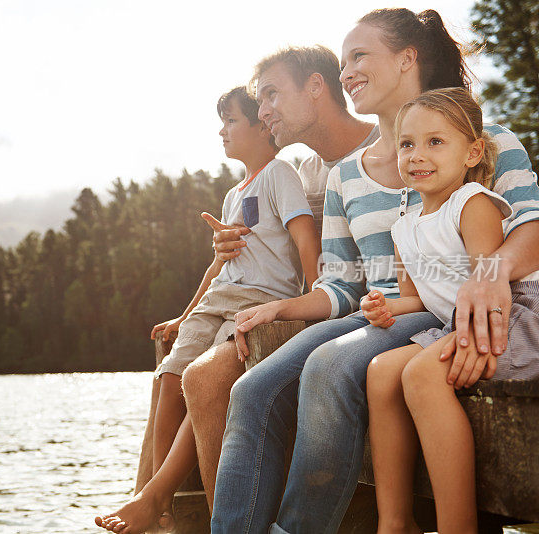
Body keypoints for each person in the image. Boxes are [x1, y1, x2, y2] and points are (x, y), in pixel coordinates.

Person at [211, 9, 539, 534]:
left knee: (330, 367)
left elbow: (531, 227)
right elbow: (341, 285)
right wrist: (282, 307)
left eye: (359, 56)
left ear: (408, 59)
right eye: (342, 62)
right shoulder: (345, 174)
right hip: (383, 310)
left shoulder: (482, 138)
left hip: (441, 310)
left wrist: (490, 273)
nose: (346, 73)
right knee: (251, 390)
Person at [95, 85, 320, 533]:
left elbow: (304, 239)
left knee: (202, 381)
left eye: (231, 120)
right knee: (169, 377)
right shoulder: (234, 193)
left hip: (258, 301)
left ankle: (163, 496)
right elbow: (219, 266)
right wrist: (185, 315)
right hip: (219, 299)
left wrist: (313, 302)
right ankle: (160, 504)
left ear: (262, 125)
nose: (222, 131)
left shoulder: (280, 175)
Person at [179, 45, 378, 515]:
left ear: (316, 87)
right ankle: (157, 503)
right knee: (187, 373)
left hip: (368, 312)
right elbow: (289, 239)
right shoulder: (304, 171)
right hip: (315, 302)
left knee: (210, 379)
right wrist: (229, 248)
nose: (263, 111)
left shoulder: (395, 146)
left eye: (271, 95)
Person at [364, 88, 539, 533]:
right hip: (453, 322)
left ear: (472, 152)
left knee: (421, 374)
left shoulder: (472, 202)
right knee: (382, 370)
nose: (417, 155)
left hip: (508, 318)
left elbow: (492, 287)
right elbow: (418, 297)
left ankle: (456, 527)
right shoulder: (402, 227)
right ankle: (395, 521)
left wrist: (477, 337)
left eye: (435, 142)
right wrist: (385, 307)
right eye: (407, 143)